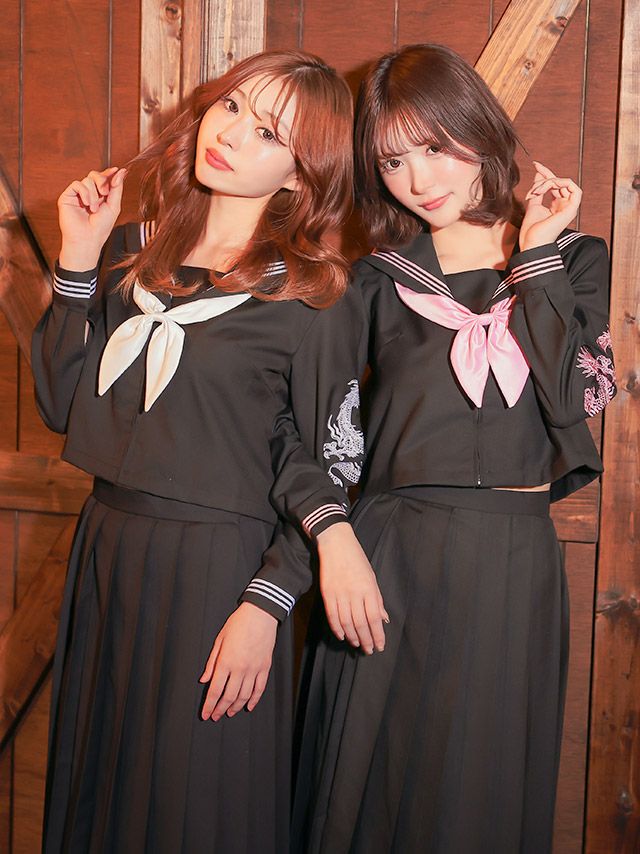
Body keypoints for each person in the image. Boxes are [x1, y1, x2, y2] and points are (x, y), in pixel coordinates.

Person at [31, 49, 364, 853]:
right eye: (233, 108)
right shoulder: (132, 252)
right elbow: (61, 403)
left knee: (196, 804)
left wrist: (267, 603)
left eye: (269, 133)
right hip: (109, 550)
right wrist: (78, 257)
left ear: (300, 174)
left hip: (220, 571)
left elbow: (330, 462)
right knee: (101, 793)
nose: (233, 134)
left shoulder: (311, 293)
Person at [288, 44, 615, 853]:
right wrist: (334, 541)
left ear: (477, 128)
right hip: (390, 558)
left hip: (512, 562)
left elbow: (578, 396)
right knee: (367, 795)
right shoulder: (374, 281)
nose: (418, 179)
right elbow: (314, 434)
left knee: (480, 799)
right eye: (392, 161)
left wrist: (535, 254)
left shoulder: (575, 258)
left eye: (434, 146)